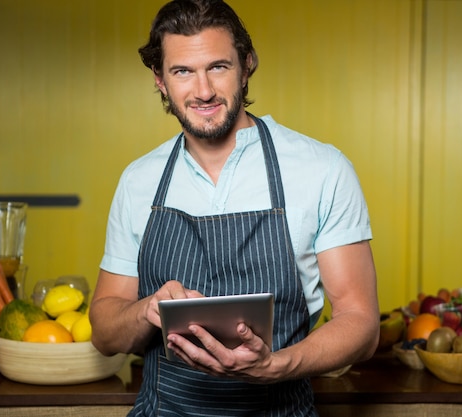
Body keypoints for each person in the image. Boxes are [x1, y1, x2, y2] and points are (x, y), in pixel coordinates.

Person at [89, 0, 380, 415]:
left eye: (218, 67)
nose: (203, 90)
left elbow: (362, 324)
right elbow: (104, 332)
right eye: (183, 71)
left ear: (247, 65)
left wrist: (276, 365)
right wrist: (146, 311)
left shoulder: (322, 170)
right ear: (159, 80)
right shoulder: (139, 181)